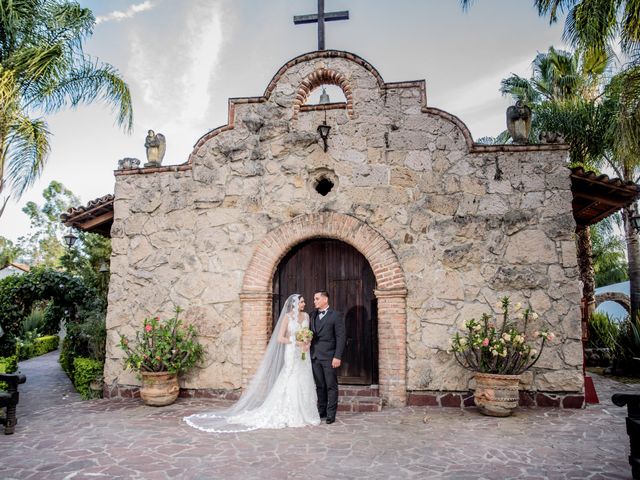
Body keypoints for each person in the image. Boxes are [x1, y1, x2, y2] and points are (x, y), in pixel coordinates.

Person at [184, 294, 320, 432]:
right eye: (301, 302)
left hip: (303, 352)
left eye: (303, 301)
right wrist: (295, 341)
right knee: (291, 377)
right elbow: (280, 338)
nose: (304, 303)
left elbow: (307, 333)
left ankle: (306, 413)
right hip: (291, 351)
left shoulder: (307, 316)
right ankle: (291, 412)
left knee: (304, 377)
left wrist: (306, 343)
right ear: (294, 304)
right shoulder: (287, 317)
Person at [310, 290, 346, 424]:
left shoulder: (335, 316)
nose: (314, 301)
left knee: (331, 386)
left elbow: (340, 337)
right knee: (320, 386)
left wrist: (337, 356)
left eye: (317, 299)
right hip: (315, 356)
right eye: (314, 299)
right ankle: (322, 411)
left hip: (330, 356)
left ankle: (331, 414)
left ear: (325, 300)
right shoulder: (312, 315)